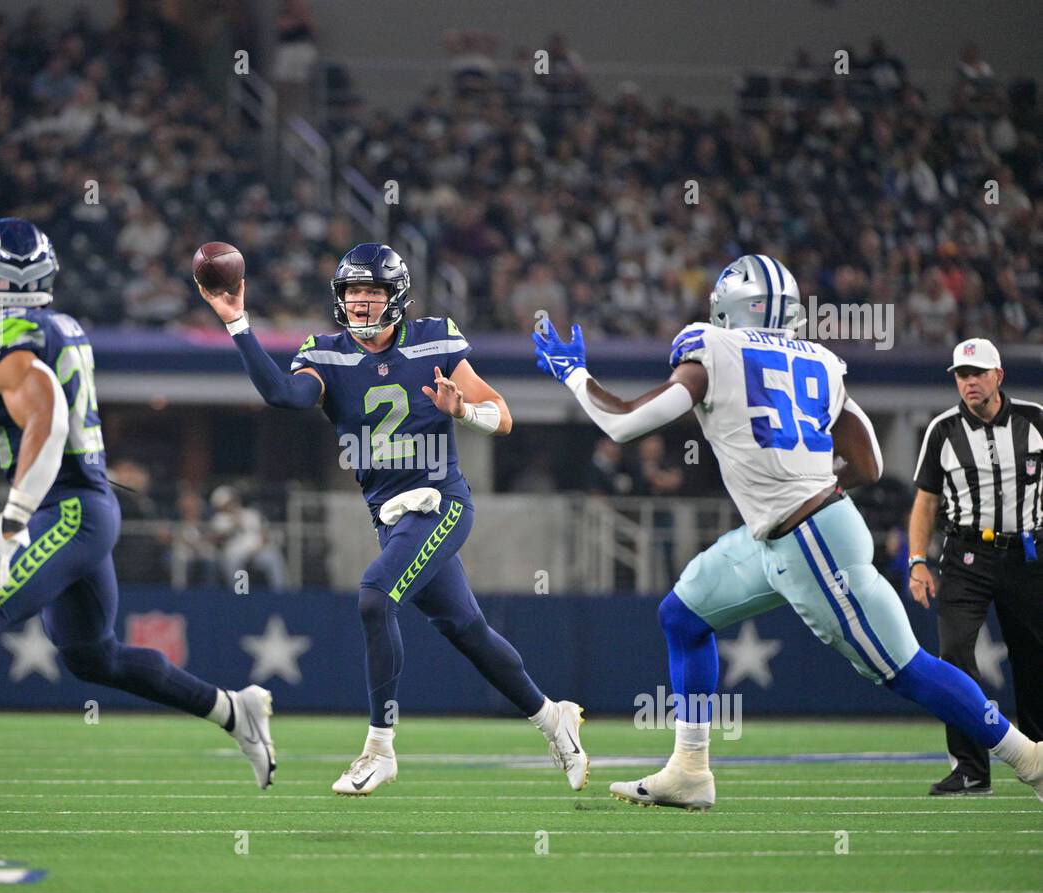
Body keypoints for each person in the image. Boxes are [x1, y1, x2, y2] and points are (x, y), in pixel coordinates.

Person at [533, 254, 1043, 810]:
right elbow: (868, 461)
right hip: (787, 531)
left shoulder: (712, 348)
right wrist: (810, 484)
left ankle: (1029, 758)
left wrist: (574, 374)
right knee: (683, 614)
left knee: (906, 669)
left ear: (727, 307)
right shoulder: (819, 362)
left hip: (811, 538)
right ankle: (689, 769)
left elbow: (623, 423)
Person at [0, 218, 275, 827]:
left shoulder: (10, 338)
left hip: (66, 508)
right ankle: (233, 711)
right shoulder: (55, 327)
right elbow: (30, 423)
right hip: (86, 507)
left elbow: (46, 424)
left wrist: (14, 520)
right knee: (93, 657)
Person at [201, 242, 588, 795]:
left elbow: (502, 418)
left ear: (395, 296)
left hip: (441, 503)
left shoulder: (433, 339)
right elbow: (285, 396)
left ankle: (379, 748)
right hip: (390, 516)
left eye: (372, 291)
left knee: (374, 596)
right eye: (352, 292)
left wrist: (463, 411)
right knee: (467, 630)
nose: (360, 302)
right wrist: (238, 323)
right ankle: (554, 719)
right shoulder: (328, 353)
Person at [909, 338, 1043, 795]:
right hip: (965, 556)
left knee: (1034, 658)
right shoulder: (943, 430)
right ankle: (970, 768)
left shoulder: (1035, 419)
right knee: (954, 656)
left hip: (1028, 554)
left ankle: (1039, 754)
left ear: (998, 376)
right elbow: (925, 502)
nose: (968, 382)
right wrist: (917, 561)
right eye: (962, 375)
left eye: (977, 373)